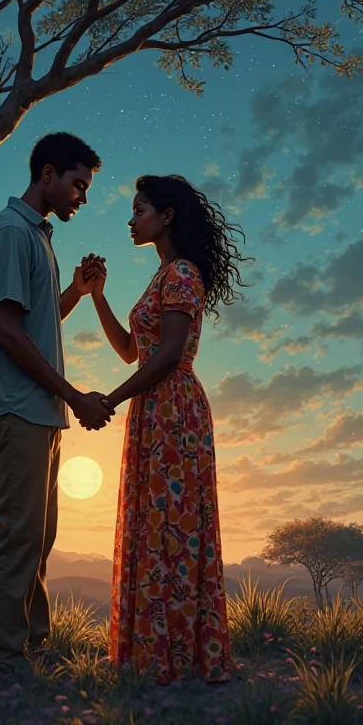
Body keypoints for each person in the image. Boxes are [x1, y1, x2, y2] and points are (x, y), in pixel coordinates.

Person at [81, 174, 249, 684]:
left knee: (173, 529)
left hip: (174, 408)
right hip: (155, 406)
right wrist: (96, 296)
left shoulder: (180, 274)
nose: (131, 220)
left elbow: (171, 355)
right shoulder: (161, 277)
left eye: (139, 211)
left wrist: (110, 397)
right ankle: (160, 655)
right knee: (158, 527)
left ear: (166, 216)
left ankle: (175, 658)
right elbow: (133, 350)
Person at [0, 131, 115, 684]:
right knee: (19, 535)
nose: (83, 196)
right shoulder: (11, 232)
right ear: (48, 174)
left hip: (42, 412)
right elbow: (6, 333)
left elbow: (32, 321)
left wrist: (76, 294)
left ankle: (32, 644)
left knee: (40, 536)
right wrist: (75, 395)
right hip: (20, 407)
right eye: (79, 185)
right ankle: (7, 663)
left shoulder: (40, 238)